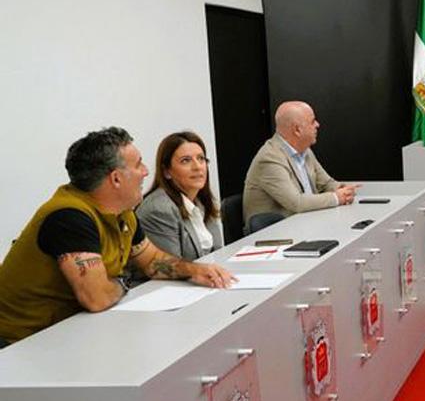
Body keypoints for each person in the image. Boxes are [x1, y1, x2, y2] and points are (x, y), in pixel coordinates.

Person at [0, 128, 235, 346]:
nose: (145, 172)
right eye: (138, 164)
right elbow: (98, 297)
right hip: (22, 343)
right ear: (115, 178)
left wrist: (193, 270)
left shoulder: (122, 213)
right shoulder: (69, 217)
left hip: (72, 333)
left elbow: (153, 261)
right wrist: (123, 282)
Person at [243, 101, 359, 225]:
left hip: (304, 223)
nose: (317, 125)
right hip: (275, 234)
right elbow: (296, 203)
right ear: (297, 129)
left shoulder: (305, 151)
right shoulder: (269, 158)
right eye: (312, 121)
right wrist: (336, 198)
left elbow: (326, 183)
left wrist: (342, 190)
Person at [137, 131, 224, 262]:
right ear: (167, 171)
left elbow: (218, 252)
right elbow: (173, 269)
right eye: (186, 161)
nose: (197, 167)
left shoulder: (200, 201)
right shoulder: (159, 210)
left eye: (201, 158)